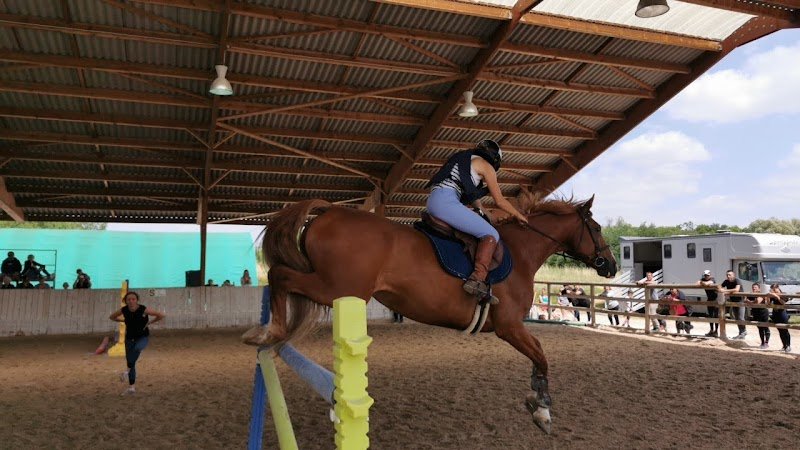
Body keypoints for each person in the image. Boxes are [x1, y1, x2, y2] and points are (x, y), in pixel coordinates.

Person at [425, 139, 528, 303]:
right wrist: (519, 215)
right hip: (447, 202)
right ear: (495, 160)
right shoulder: (487, 167)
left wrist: (488, 215)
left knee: (485, 228)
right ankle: (477, 279)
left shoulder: (466, 160)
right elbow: (500, 201)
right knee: (491, 234)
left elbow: (478, 205)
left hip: (435, 200)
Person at [109, 291, 165, 394]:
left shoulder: (143, 309)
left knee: (138, 348)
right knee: (131, 362)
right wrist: (122, 321)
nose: (131, 301)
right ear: (125, 301)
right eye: (128, 299)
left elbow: (160, 315)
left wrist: (150, 322)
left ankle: (127, 371)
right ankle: (131, 388)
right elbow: (112, 317)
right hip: (129, 338)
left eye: (133, 299)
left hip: (142, 337)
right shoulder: (124, 310)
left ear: (137, 300)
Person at [719, 269, 745, 339]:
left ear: (733, 275)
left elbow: (737, 289)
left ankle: (743, 332)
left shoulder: (737, 280)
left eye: (729, 275)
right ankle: (741, 333)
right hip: (733, 301)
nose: (728, 276)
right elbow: (719, 286)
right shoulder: (726, 281)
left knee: (740, 318)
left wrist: (725, 291)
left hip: (740, 301)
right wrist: (720, 289)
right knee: (736, 318)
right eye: (727, 275)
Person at [766, 284, 791, 353]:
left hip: (782, 313)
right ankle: (784, 346)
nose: (773, 291)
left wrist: (777, 296)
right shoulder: (772, 295)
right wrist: (768, 296)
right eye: (772, 289)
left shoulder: (783, 294)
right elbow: (768, 304)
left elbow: (783, 303)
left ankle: (788, 345)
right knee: (780, 330)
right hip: (775, 314)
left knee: (785, 330)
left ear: (778, 288)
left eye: (774, 289)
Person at [746, 283, 770, 349]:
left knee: (765, 327)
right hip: (756, 313)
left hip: (763, 313)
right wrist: (751, 302)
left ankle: (766, 342)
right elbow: (745, 300)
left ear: (759, 289)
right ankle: (762, 342)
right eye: (753, 287)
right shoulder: (751, 295)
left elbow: (758, 301)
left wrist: (751, 302)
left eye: (755, 287)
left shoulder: (761, 294)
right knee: (760, 328)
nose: (754, 288)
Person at [698, 270, 719, 337]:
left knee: (716, 316)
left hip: (716, 299)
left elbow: (706, 284)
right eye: (705, 275)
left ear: (710, 275)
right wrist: (702, 282)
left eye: (707, 275)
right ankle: (711, 330)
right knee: (710, 315)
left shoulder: (713, 279)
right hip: (709, 299)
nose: (706, 276)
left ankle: (716, 331)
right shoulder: (703, 279)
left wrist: (702, 282)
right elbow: (697, 283)